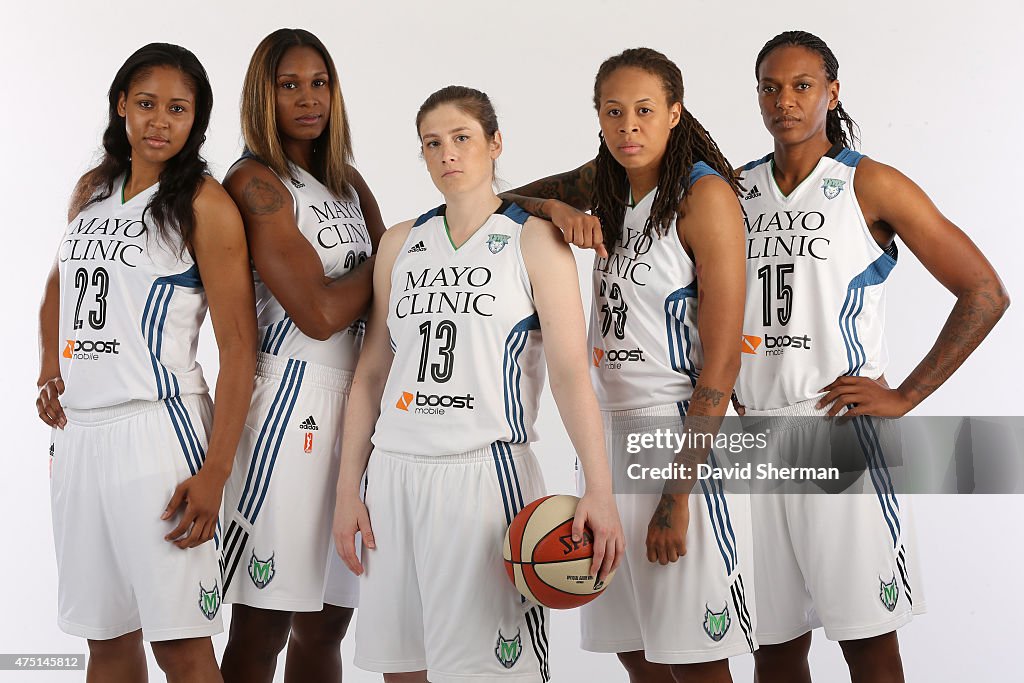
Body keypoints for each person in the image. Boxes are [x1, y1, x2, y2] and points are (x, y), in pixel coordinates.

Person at [731, 30, 1009, 683]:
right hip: (757, 438)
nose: (785, 100)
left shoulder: (869, 183)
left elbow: (985, 291)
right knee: (773, 646)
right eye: (771, 86)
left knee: (867, 645)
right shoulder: (733, 190)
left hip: (841, 439)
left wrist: (905, 396)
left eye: (802, 85)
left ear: (832, 90)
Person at [332, 85, 624, 683]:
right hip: (394, 474)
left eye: (461, 138)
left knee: (491, 673)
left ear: (495, 144)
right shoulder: (399, 242)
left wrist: (600, 488)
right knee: (402, 668)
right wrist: (347, 488)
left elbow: (571, 374)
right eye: (431, 145)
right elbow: (370, 374)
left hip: (485, 474)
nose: (447, 155)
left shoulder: (535, 239)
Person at [502, 47, 756, 682]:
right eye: (613, 113)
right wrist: (558, 210)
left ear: (675, 113)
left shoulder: (705, 197)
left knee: (695, 658)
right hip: (610, 433)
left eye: (645, 110)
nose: (628, 126)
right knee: (633, 647)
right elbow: (498, 203)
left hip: (681, 438)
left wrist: (678, 495)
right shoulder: (604, 185)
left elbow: (721, 364)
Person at [36, 43, 257, 683]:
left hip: (159, 432)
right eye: (146, 104)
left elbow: (239, 348)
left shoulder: (205, 204)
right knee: (106, 643)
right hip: (80, 437)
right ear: (121, 107)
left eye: (178, 109)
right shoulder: (93, 190)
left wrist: (216, 471)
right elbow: (58, 288)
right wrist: (51, 364)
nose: (160, 120)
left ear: (197, 121)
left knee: (181, 648)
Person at [217, 28, 385, 683]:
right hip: (290, 404)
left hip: (355, 404)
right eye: (290, 84)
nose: (308, 98)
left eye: (319, 83)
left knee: (328, 621)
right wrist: (390, 262)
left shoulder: (348, 180)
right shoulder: (256, 182)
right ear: (265, 93)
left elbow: (382, 297)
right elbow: (315, 311)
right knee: (264, 621)